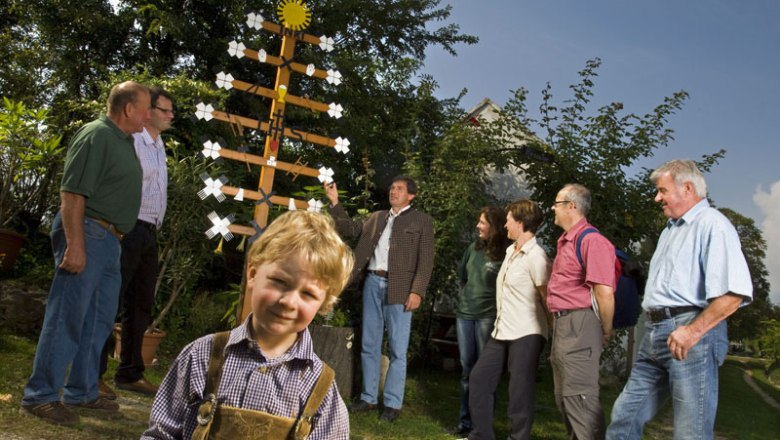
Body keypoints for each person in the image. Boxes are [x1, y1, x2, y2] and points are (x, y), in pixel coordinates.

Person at [141, 211, 354, 440]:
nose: (289, 302)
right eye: (280, 282)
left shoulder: (320, 389)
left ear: (324, 303)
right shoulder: (202, 356)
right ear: (253, 274)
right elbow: (160, 434)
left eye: (308, 294)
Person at [20, 81, 150, 426]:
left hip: (110, 240)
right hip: (88, 231)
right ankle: (41, 395)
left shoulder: (124, 142)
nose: (149, 114)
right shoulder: (96, 135)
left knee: (98, 321)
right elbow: (73, 193)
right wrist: (75, 244)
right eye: (145, 107)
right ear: (127, 109)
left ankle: (81, 391)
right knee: (67, 315)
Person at [606, 160, 753, 440]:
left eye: (662, 190)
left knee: (690, 432)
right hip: (655, 334)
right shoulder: (669, 231)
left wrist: (692, 331)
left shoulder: (713, 225)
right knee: (624, 417)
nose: (656, 197)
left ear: (687, 188)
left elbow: (734, 293)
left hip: (690, 333)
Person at [324, 176, 435, 422]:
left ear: (411, 196)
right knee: (369, 344)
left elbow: (426, 261)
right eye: (392, 188)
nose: (393, 192)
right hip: (372, 283)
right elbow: (349, 229)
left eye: (399, 189)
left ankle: (393, 403)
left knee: (397, 348)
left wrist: (417, 291)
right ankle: (368, 398)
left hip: (401, 288)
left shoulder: (422, 221)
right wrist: (334, 202)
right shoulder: (377, 217)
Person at [98, 86, 175, 398]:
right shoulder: (131, 140)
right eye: (165, 110)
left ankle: (130, 373)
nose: (171, 116)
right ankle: (93, 374)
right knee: (110, 300)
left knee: (140, 304)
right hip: (127, 228)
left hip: (150, 232)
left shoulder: (159, 145)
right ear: (148, 112)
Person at [465, 200, 552, 440]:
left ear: (521, 223)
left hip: (527, 333)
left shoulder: (537, 257)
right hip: (502, 331)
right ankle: (482, 435)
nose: (505, 224)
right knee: (479, 379)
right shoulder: (509, 251)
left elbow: (548, 300)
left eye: (509, 219)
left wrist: (553, 334)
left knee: (519, 391)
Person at [547, 183, 617, 440]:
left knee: (580, 399)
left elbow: (604, 291)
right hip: (565, 325)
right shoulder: (567, 242)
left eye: (556, 203)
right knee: (565, 400)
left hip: (580, 324)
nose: (552, 208)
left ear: (572, 206)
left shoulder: (592, 241)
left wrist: (606, 329)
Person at [450, 206, 511, 437]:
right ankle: (464, 423)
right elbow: (463, 280)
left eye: (482, 222)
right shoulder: (472, 248)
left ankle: (481, 426)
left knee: (484, 374)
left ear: (494, 226)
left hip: (488, 318)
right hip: (465, 316)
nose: (478, 226)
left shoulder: (505, 253)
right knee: (467, 371)